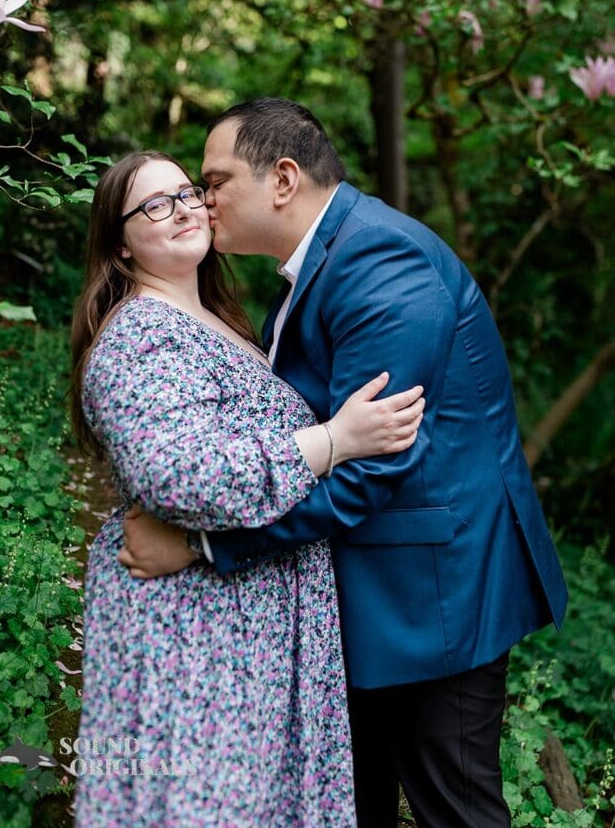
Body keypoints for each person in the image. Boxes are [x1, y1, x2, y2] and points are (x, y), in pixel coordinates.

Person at [120, 99, 569, 828]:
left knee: (455, 811)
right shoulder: (318, 266)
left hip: (433, 597)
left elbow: (369, 469)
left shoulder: (382, 265)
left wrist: (203, 546)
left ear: (284, 179)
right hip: (373, 595)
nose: (202, 200)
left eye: (215, 180)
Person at [70, 149, 426, 827]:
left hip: (236, 631)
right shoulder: (139, 336)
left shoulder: (226, 323)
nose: (180, 209)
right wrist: (335, 441)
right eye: (153, 204)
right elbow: (178, 476)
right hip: (191, 638)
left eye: (187, 192)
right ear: (119, 244)